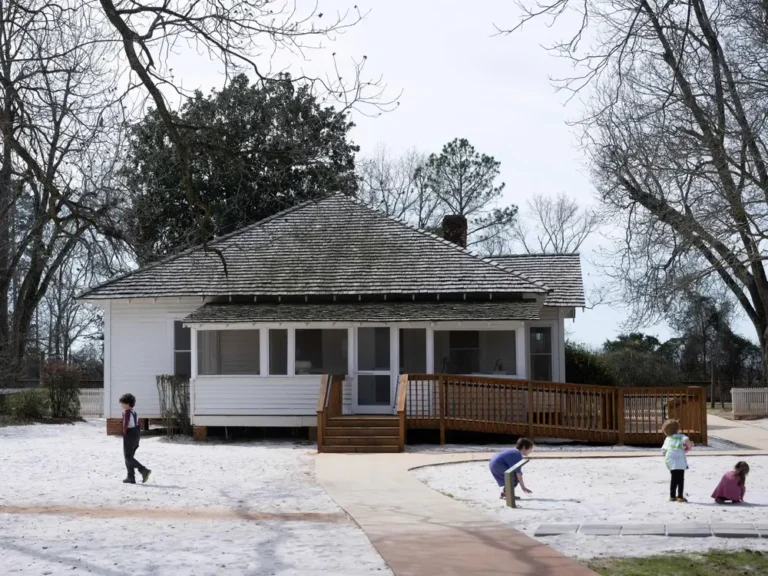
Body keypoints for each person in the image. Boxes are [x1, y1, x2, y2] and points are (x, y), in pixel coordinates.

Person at [119, 393, 152, 484]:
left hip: (129, 435)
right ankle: (130, 477)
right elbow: (137, 423)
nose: (120, 404)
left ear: (127, 403)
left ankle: (143, 470)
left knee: (128, 457)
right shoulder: (134, 412)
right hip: (136, 434)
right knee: (129, 457)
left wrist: (123, 432)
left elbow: (125, 424)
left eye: (121, 402)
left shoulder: (126, 412)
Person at [661, 419, 693, 502]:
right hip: (680, 460)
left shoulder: (667, 439)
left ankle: (672, 496)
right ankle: (680, 496)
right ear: (677, 429)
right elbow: (687, 440)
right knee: (681, 478)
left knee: (674, 478)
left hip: (670, 460)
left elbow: (663, 451)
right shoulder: (681, 436)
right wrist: (689, 447)